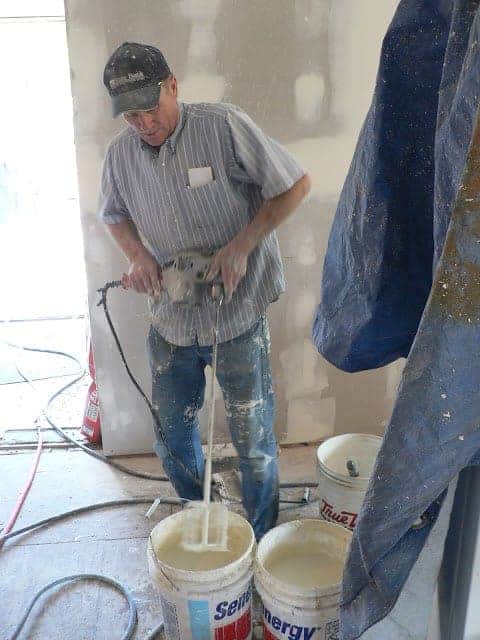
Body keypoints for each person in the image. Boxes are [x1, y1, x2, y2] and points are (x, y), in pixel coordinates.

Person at [99, 42, 310, 539]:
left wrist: (242, 245)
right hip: (172, 319)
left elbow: (294, 185)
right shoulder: (120, 156)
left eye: (150, 109)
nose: (144, 124)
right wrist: (139, 257)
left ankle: (260, 535)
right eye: (131, 116)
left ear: (173, 86)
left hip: (236, 315)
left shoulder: (222, 126)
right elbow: (112, 216)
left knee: (251, 435)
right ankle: (200, 515)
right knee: (173, 435)